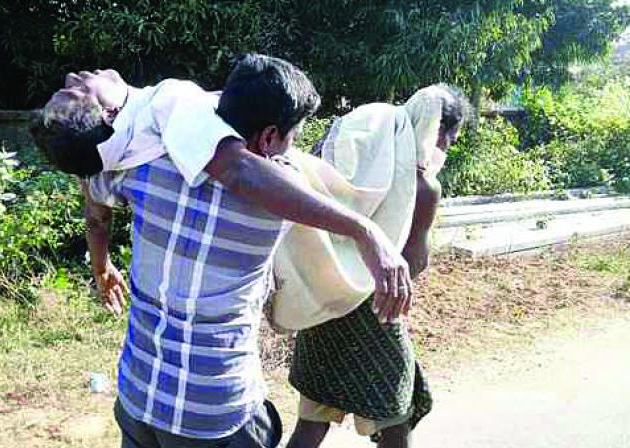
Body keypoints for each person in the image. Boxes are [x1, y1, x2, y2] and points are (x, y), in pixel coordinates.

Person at [30, 54, 414, 447]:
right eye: (291, 136)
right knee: (263, 429)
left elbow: (93, 201)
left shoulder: (138, 166)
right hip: (214, 412)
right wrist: (371, 233)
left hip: (138, 394)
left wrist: (102, 266)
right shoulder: (287, 190)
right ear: (268, 138)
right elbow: (357, 189)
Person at [285, 84, 471, 448]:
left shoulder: (363, 154)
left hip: (324, 299)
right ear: (437, 131)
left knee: (312, 419)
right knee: (397, 415)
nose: (447, 149)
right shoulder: (424, 187)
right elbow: (413, 265)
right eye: (450, 139)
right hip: (376, 312)